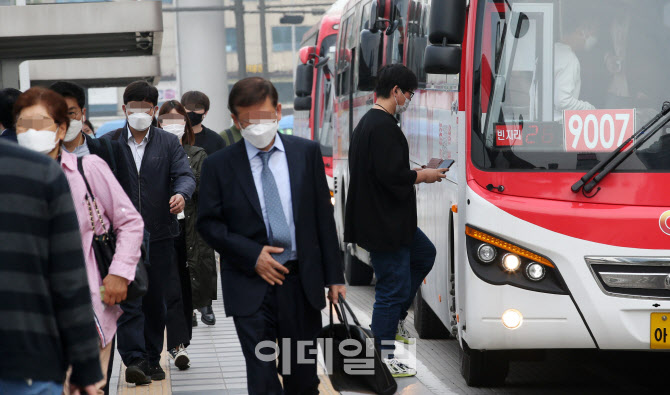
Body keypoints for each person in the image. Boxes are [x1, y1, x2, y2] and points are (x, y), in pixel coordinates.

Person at [197, 77, 346, 395]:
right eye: (247, 120)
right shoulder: (218, 166)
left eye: (263, 117)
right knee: (262, 377)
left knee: (301, 378)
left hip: (299, 283)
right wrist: (253, 255)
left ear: (278, 111)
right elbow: (209, 225)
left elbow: (323, 218)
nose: (257, 126)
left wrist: (335, 277)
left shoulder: (305, 153)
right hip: (250, 286)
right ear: (235, 120)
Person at [12, 87, 145, 394]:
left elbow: (130, 221)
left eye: (41, 123)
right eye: (24, 124)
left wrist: (119, 272)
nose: (32, 132)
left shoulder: (87, 169)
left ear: (61, 128)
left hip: (87, 313)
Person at [344, 64, 446, 377]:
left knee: (424, 254)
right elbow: (390, 176)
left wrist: (412, 170)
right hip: (384, 223)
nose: (410, 99)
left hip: (389, 221)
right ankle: (383, 356)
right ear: (396, 91)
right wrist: (423, 175)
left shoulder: (370, 124)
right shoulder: (383, 126)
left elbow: (383, 170)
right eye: (409, 93)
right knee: (391, 286)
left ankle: (396, 317)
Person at [0, 95, 103, 395]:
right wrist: (85, 368)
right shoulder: (42, 174)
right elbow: (68, 280)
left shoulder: (81, 167)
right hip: (25, 356)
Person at [101, 81, 196, 385]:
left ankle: (153, 357)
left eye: (145, 107)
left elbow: (185, 175)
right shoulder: (109, 143)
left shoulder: (168, 143)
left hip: (161, 234)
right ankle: (134, 358)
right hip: (120, 238)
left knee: (155, 299)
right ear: (124, 109)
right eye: (133, 107)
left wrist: (181, 194)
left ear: (155, 110)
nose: (139, 112)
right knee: (128, 299)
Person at [158, 100, 216, 371]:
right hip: (158, 233)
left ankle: (179, 344)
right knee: (164, 291)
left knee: (182, 288)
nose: (172, 123)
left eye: (177, 118)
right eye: (166, 118)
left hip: (189, 233)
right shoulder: (148, 154)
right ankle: (172, 345)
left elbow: (208, 200)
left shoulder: (197, 154)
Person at [180, 90, 224, 325]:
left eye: (197, 109)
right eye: (188, 109)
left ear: (205, 113)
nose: (192, 113)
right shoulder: (175, 137)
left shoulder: (215, 141)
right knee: (185, 258)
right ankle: (190, 307)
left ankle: (205, 303)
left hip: (205, 206)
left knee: (205, 257)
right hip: (179, 206)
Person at [50, 81, 126, 179]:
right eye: (59, 114)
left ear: (83, 114)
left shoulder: (109, 150)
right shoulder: (44, 156)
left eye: (71, 113)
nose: (65, 121)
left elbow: (124, 191)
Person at [554, 18, 598, 120]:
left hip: (543, 123)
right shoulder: (569, 58)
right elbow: (563, 102)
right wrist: (590, 109)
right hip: (559, 126)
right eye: (589, 35)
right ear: (578, 32)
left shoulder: (549, 51)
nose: (589, 39)